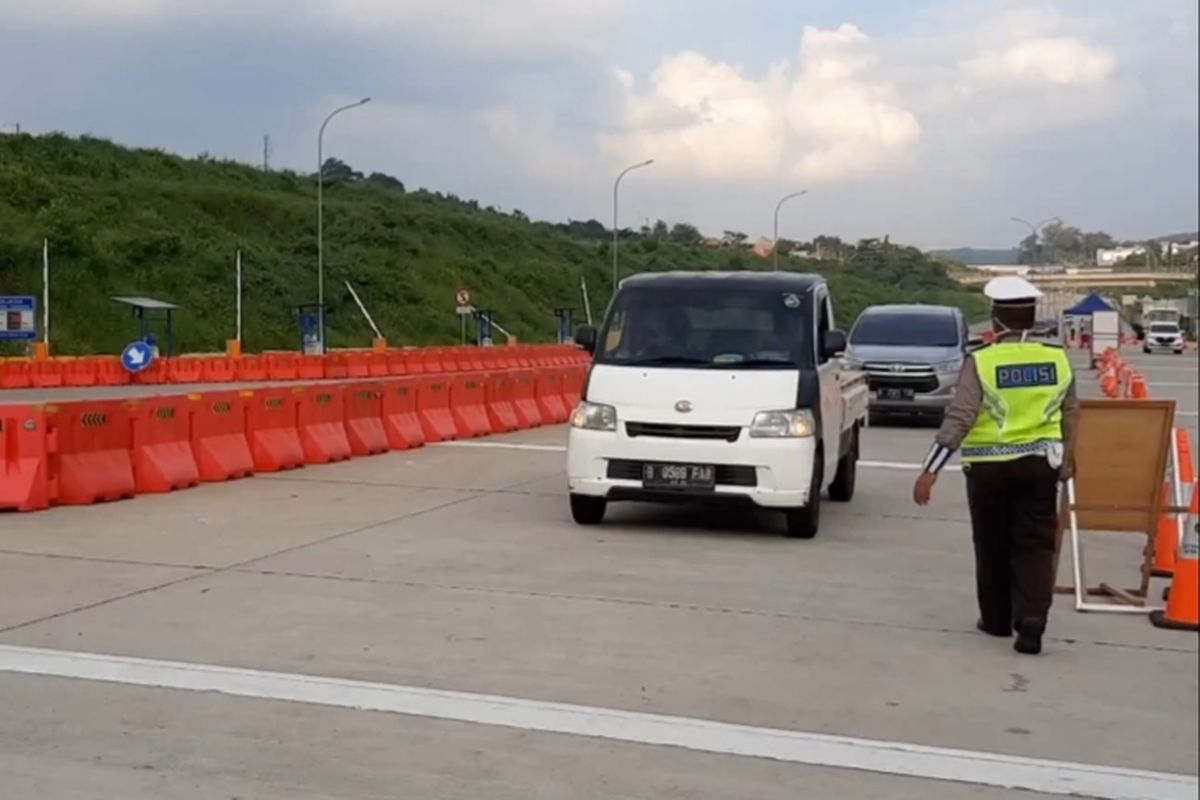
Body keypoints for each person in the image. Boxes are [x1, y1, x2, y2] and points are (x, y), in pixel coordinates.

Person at [912, 276, 1079, 656]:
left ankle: (997, 620)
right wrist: (1067, 462)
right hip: (1040, 466)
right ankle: (1033, 619)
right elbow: (1071, 414)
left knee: (992, 543)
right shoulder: (1056, 357)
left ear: (996, 319)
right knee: (1035, 544)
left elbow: (960, 417)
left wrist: (930, 470)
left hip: (989, 469)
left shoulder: (982, 361)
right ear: (1032, 318)